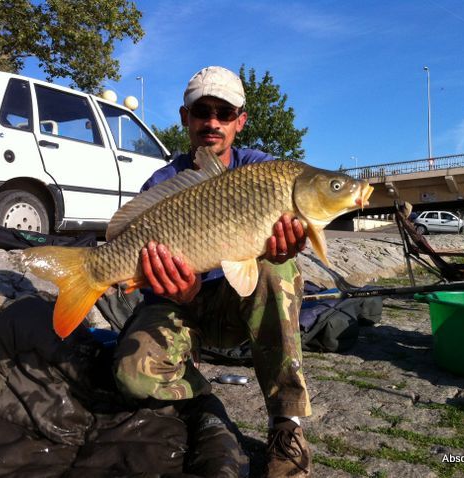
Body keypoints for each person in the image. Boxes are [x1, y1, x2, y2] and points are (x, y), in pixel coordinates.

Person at [112, 66, 312, 477]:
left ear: (241, 120)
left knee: (280, 267)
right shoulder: (162, 182)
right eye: (202, 111)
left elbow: (276, 252)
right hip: (180, 306)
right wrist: (177, 293)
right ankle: (201, 401)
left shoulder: (264, 172)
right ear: (185, 117)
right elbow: (149, 279)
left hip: (241, 306)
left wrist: (283, 250)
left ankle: (287, 424)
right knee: (131, 376)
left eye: (225, 112)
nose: (213, 122)